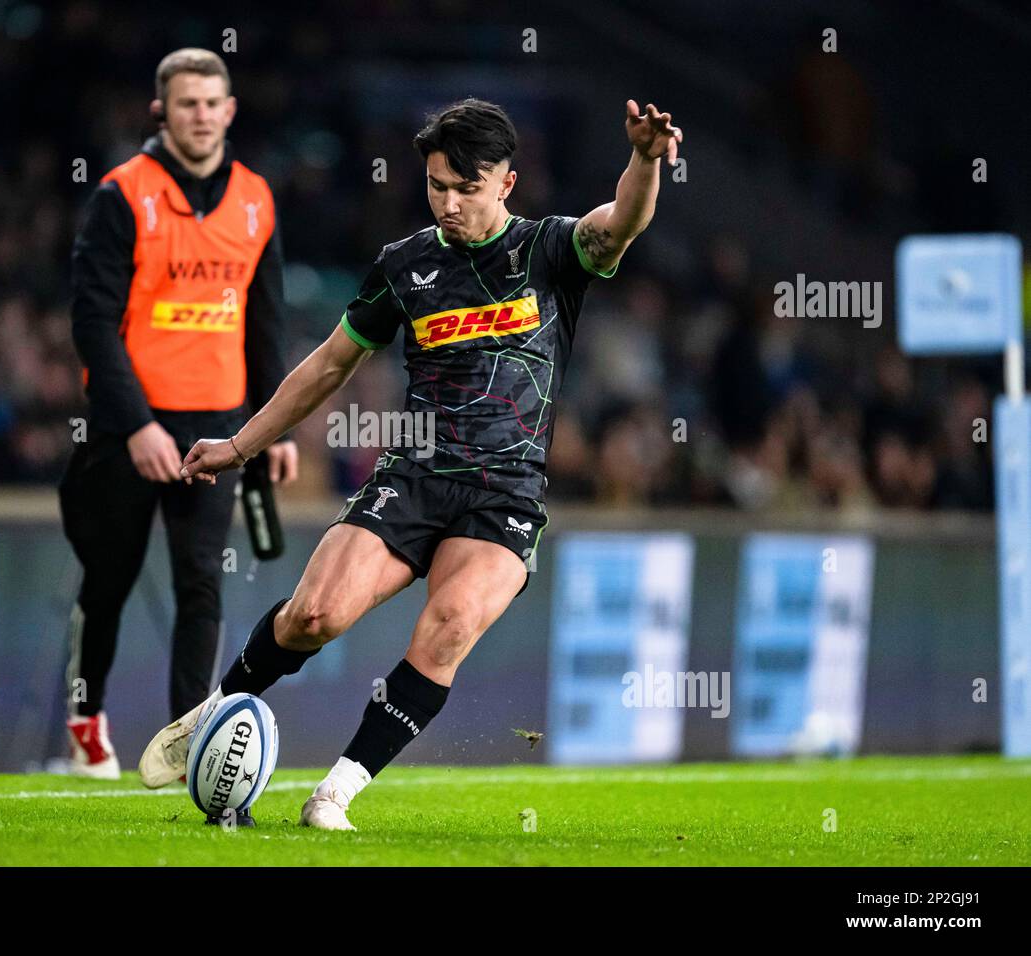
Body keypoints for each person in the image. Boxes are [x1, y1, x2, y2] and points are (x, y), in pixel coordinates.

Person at [140, 97, 682, 830]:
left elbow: (620, 223)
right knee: (313, 616)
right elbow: (330, 366)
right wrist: (240, 445)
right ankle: (214, 711)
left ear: (506, 185)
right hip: (416, 476)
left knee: (450, 623)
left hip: (506, 493)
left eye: (466, 187)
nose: (449, 203)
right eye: (437, 186)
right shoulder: (405, 265)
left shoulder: (549, 250)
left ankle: (334, 792)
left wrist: (644, 161)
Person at [59, 48, 297, 783]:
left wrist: (269, 427)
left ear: (230, 110)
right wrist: (136, 426)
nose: (200, 115)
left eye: (211, 103)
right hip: (129, 425)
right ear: (161, 111)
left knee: (202, 584)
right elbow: (92, 321)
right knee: (109, 580)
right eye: (185, 103)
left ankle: (189, 742)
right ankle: (85, 719)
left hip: (217, 427)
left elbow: (265, 324)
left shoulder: (256, 198)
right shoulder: (122, 195)